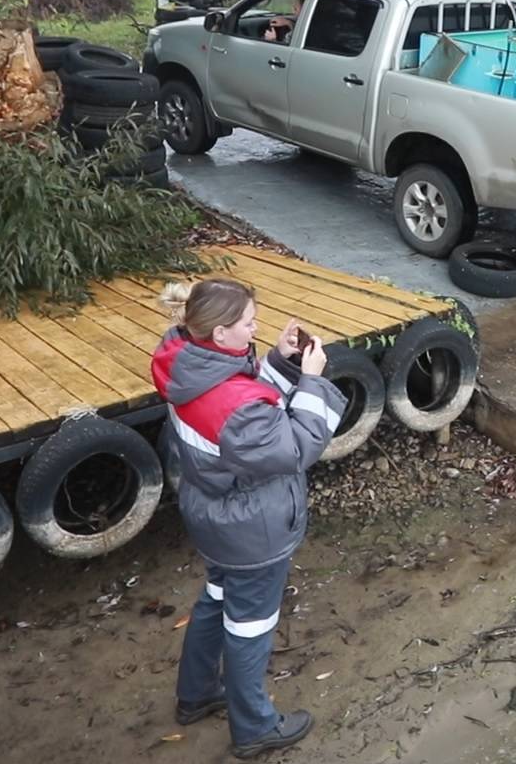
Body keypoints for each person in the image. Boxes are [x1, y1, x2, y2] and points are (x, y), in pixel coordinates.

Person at [151, 278, 343, 759]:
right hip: (250, 530)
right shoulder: (233, 408)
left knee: (217, 597)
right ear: (220, 335)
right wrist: (314, 379)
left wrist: (278, 361)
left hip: (212, 515)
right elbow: (294, 447)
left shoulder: (182, 359)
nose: (257, 327)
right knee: (250, 627)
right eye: (249, 323)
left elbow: (245, 399)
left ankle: (195, 694)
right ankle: (255, 726)